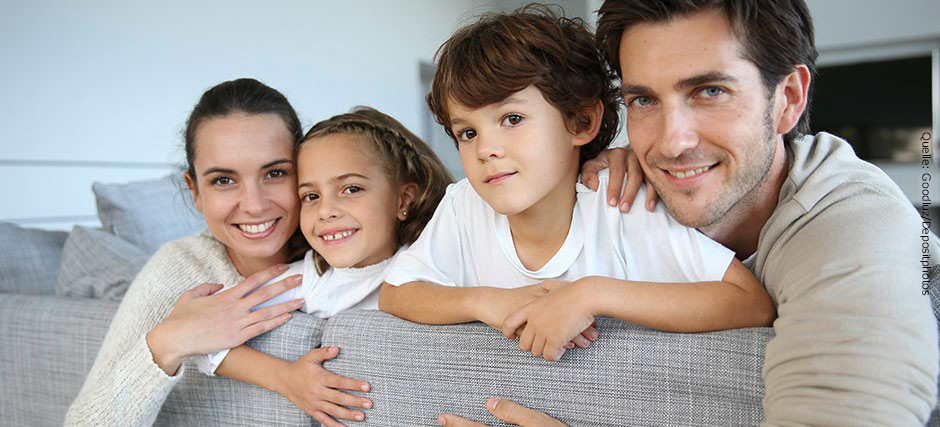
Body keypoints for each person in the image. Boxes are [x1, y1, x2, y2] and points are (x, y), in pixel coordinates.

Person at [449, 0, 940, 425]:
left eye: (710, 92)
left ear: (787, 99)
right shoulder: (623, 189)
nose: (671, 142)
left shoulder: (850, 225)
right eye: (644, 99)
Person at [379, 3, 775, 372]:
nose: (486, 150)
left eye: (512, 118)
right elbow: (395, 293)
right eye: (467, 132)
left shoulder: (619, 202)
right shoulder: (464, 204)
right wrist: (485, 301)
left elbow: (749, 303)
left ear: (581, 122)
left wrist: (592, 294)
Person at [65, 79, 370, 426]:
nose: (254, 206)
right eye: (224, 180)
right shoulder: (179, 268)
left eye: (275, 173)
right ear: (194, 190)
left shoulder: (350, 241)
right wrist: (169, 342)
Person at [196, 106, 454, 426]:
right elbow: (205, 341)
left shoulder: (438, 260)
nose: (326, 211)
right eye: (311, 196)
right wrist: (287, 377)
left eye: (351, 189)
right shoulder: (309, 278)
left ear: (403, 199)